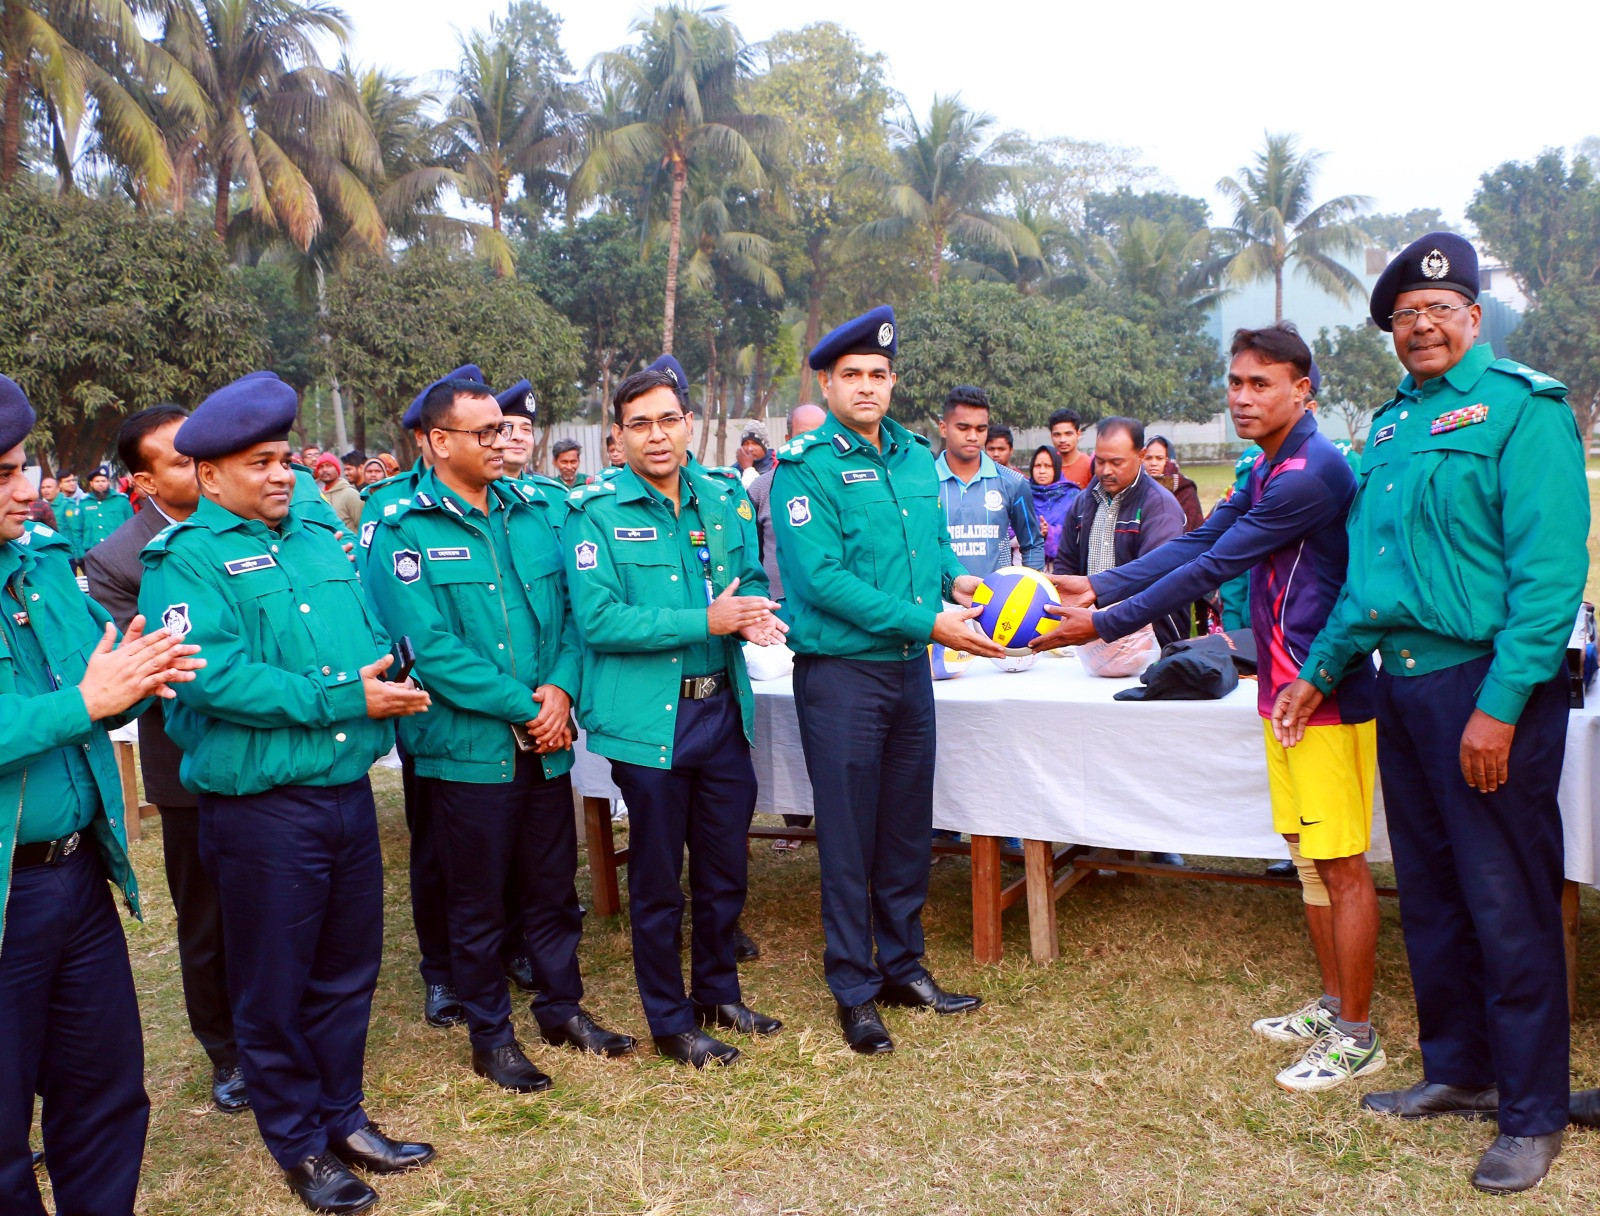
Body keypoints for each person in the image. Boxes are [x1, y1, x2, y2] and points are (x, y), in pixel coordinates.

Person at [1273, 234, 1591, 1194]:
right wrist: (1321, 670)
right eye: (1406, 315)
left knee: (1509, 901)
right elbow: (1373, 580)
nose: (1421, 326)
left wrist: (1501, 706)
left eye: (1440, 310)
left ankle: (1531, 1111)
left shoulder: (1523, 409)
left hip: (1488, 690)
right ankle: (1460, 1070)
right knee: (1433, 896)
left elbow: (1549, 575)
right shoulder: (1390, 428)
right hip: (1403, 690)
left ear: (1474, 318)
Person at [1037, 323, 1385, 1094]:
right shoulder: (1266, 466)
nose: (1242, 397)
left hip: (1324, 693)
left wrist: (1102, 620)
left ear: (1302, 390)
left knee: (1340, 864)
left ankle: (1357, 1036)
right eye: (1235, 382)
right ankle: (1334, 1006)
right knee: (1307, 857)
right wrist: (1100, 585)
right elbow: (1200, 541)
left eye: (1262, 383)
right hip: (1281, 690)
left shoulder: (1310, 473)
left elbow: (1215, 566)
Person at [139, 371, 437, 1214]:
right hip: (263, 810)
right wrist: (344, 695)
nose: (280, 475)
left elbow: (367, 636)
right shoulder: (185, 560)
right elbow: (212, 679)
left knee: (348, 971)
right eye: (259, 463)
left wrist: (388, 674)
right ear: (209, 475)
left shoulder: (314, 539)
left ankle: (344, 1117)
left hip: (344, 795)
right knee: (274, 986)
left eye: (285, 459)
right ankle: (299, 1143)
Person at [365, 376, 633, 1093]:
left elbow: (572, 615)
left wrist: (562, 690)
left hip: (544, 745)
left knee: (552, 888)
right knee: (477, 902)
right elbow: (429, 649)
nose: (503, 440)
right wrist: (529, 706)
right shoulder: (403, 529)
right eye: (484, 431)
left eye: (505, 428)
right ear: (437, 441)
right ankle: (492, 1036)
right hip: (469, 752)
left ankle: (562, 1008)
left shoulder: (533, 512)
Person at [771, 305, 1004, 1056]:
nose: (867, 386)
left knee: (906, 829)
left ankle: (904, 967)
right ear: (827, 385)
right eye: (852, 375)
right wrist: (930, 620)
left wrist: (959, 583)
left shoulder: (910, 456)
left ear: (894, 382)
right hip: (842, 676)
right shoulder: (804, 467)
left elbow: (927, 547)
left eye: (879, 374)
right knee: (848, 838)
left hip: (909, 673)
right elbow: (822, 580)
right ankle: (854, 988)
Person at [0, 376, 204, 1216]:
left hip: (77, 877)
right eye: (4, 474)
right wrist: (87, 701)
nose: (28, 487)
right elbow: (81, 699)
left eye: (23, 466)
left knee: (104, 1094)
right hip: (7, 893)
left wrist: (143, 671)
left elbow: (103, 674)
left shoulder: (42, 564)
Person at [564, 368, 786, 1068]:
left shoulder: (722, 497)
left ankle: (718, 993)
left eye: (667, 420)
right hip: (650, 724)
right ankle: (670, 1020)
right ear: (618, 436)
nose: (656, 436)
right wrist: (707, 619)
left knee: (725, 870)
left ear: (689, 423)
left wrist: (751, 613)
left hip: (722, 709)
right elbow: (598, 619)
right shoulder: (595, 512)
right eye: (640, 424)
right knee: (659, 882)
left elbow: (750, 575)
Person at [84, 405, 250, 1116]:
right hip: (188, 761)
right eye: (180, 459)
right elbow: (155, 665)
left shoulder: (245, 524)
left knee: (273, 903)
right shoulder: (120, 558)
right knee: (207, 915)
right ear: (144, 480)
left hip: (271, 754)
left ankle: (280, 1027)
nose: (200, 464)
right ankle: (226, 1050)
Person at [1050, 417, 1187, 647]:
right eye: (1100, 461)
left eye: (1116, 462)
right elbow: (1066, 563)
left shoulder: (1160, 507)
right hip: (1088, 634)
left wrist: (1109, 621)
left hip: (1146, 639)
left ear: (1141, 456)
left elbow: (1155, 578)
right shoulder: (1083, 502)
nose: (1106, 471)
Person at [935, 385, 1043, 576]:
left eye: (981, 429)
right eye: (963, 428)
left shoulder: (1013, 483)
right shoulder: (924, 483)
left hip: (996, 595)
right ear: (943, 428)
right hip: (939, 595)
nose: (973, 437)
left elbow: (1032, 544)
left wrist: (1029, 589)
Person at [748, 405, 826, 603]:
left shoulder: (845, 486)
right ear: (788, 439)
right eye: (803, 435)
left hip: (833, 610)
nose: (811, 442)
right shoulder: (761, 488)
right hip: (779, 610)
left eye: (819, 434)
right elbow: (750, 557)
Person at [64, 464, 133, 563]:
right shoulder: (83, 503)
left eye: (103, 481)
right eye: (97, 481)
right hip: (92, 553)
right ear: (91, 483)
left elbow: (131, 527)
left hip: (119, 552)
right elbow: (77, 530)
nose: (100, 484)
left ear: (108, 482)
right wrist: (81, 554)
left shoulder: (122, 501)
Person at [1027, 445, 1078, 570]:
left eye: (1048, 466)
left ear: (1056, 468)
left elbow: (1077, 533)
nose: (1042, 471)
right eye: (1037, 465)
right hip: (1027, 565)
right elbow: (1009, 528)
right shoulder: (1023, 492)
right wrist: (1032, 529)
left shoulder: (1072, 495)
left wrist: (1049, 532)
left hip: (1063, 567)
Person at [1142, 436, 1204, 533]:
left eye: (1159, 458)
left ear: (1168, 461)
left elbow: (1193, 529)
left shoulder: (1185, 489)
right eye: (1148, 458)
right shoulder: (1134, 488)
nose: (1153, 463)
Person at [314, 453, 363, 533]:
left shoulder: (350, 494)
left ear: (337, 469)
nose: (324, 470)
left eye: (329, 466)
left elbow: (362, 526)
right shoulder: (319, 496)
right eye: (321, 467)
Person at [1047, 408, 1094, 488]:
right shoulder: (1045, 467)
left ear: (1078, 434)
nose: (1062, 440)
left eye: (1068, 434)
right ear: (1051, 436)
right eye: (1057, 435)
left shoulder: (1090, 466)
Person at [739, 422, 774, 487]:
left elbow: (758, 490)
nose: (750, 449)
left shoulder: (776, 467)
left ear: (764, 446)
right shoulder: (734, 471)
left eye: (755, 443)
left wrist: (748, 469)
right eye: (746, 444)